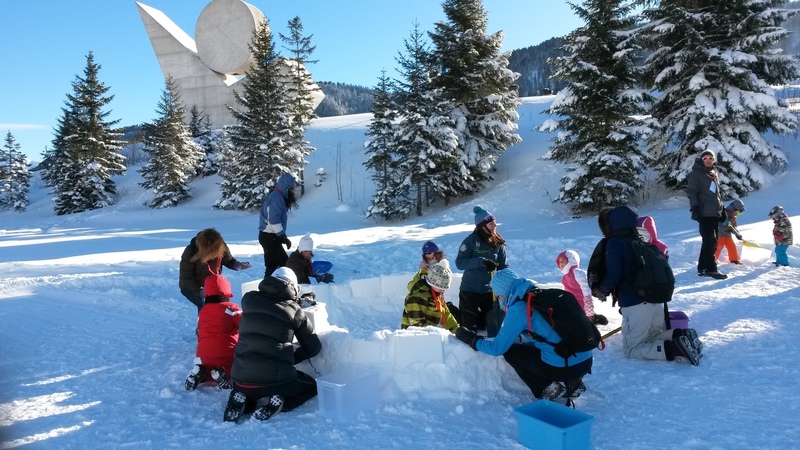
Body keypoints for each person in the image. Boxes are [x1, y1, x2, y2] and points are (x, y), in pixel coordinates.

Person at [588, 205, 703, 366]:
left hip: (635, 301)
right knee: (652, 337)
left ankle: (674, 348)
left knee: (632, 349)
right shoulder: (639, 240)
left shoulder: (615, 243)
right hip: (655, 300)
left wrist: (601, 289)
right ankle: (682, 334)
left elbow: (615, 274)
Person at [454, 269, 593, 401]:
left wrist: (471, 339)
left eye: (499, 296)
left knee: (510, 351)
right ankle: (575, 382)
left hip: (564, 367)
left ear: (503, 293)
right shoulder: (544, 297)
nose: (501, 301)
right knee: (549, 343)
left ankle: (548, 388)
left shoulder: (519, 308)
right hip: (586, 361)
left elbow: (497, 349)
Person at [224, 267, 321, 423]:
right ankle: (282, 403)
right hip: (275, 382)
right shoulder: (294, 311)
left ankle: (243, 400)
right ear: (294, 289)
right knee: (311, 387)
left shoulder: (249, 300)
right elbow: (314, 347)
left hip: (240, 380)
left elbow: (272, 306)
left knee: (249, 389)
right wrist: (292, 358)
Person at [185, 270, 242, 391]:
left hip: (203, 354)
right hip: (225, 352)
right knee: (233, 367)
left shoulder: (203, 311)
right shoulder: (231, 309)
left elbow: (199, 332)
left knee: (208, 368)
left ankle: (200, 373)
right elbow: (246, 324)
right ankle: (223, 374)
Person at [455, 206, 508, 332]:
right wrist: (481, 262)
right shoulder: (470, 241)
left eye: (495, 223)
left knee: (487, 327)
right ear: (482, 226)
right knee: (469, 327)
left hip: (489, 291)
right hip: (469, 290)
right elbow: (460, 263)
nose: (494, 226)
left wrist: (503, 287)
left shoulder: (497, 243)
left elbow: (504, 267)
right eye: (491, 224)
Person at [179, 228, 252, 313]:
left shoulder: (220, 245)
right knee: (206, 308)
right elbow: (186, 278)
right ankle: (203, 325)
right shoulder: (191, 251)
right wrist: (200, 291)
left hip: (213, 285)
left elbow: (228, 260)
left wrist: (237, 265)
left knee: (221, 307)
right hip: (192, 288)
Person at [686, 149, 727, 279]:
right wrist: (695, 208)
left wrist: (722, 210)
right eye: (705, 158)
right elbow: (692, 192)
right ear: (701, 160)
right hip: (704, 212)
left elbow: (717, 195)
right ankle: (711, 268)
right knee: (710, 241)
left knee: (709, 241)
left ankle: (703, 267)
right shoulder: (696, 174)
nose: (708, 160)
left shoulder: (713, 173)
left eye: (710, 158)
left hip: (714, 212)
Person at [258, 173, 299, 278]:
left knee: (284, 264)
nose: (293, 191)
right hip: (269, 237)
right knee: (273, 265)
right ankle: (266, 289)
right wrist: (282, 236)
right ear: (286, 187)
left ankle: (281, 287)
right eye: (292, 188)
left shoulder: (278, 196)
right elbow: (273, 220)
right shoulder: (277, 198)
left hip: (271, 236)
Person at [401, 259, 459, 332]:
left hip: (429, 334)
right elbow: (417, 324)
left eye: (444, 288)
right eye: (440, 287)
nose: (442, 290)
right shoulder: (417, 297)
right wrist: (435, 333)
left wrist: (455, 329)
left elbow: (445, 314)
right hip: (411, 337)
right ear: (431, 283)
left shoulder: (437, 294)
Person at [556, 250, 607, 325]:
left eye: (563, 260)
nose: (561, 263)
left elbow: (586, 288)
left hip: (583, 303)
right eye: (559, 262)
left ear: (571, 260)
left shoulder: (577, 273)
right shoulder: (564, 278)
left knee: (583, 320)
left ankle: (593, 319)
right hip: (572, 303)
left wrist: (588, 302)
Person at [716, 199, 746, 265]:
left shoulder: (732, 217)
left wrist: (737, 234)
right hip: (720, 235)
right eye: (737, 212)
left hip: (727, 235)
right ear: (732, 209)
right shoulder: (723, 214)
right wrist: (725, 224)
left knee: (732, 247)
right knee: (718, 248)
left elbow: (733, 227)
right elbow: (719, 225)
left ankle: (734, 259)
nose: (737, 214)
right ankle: (713, 260)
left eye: (739, 213)